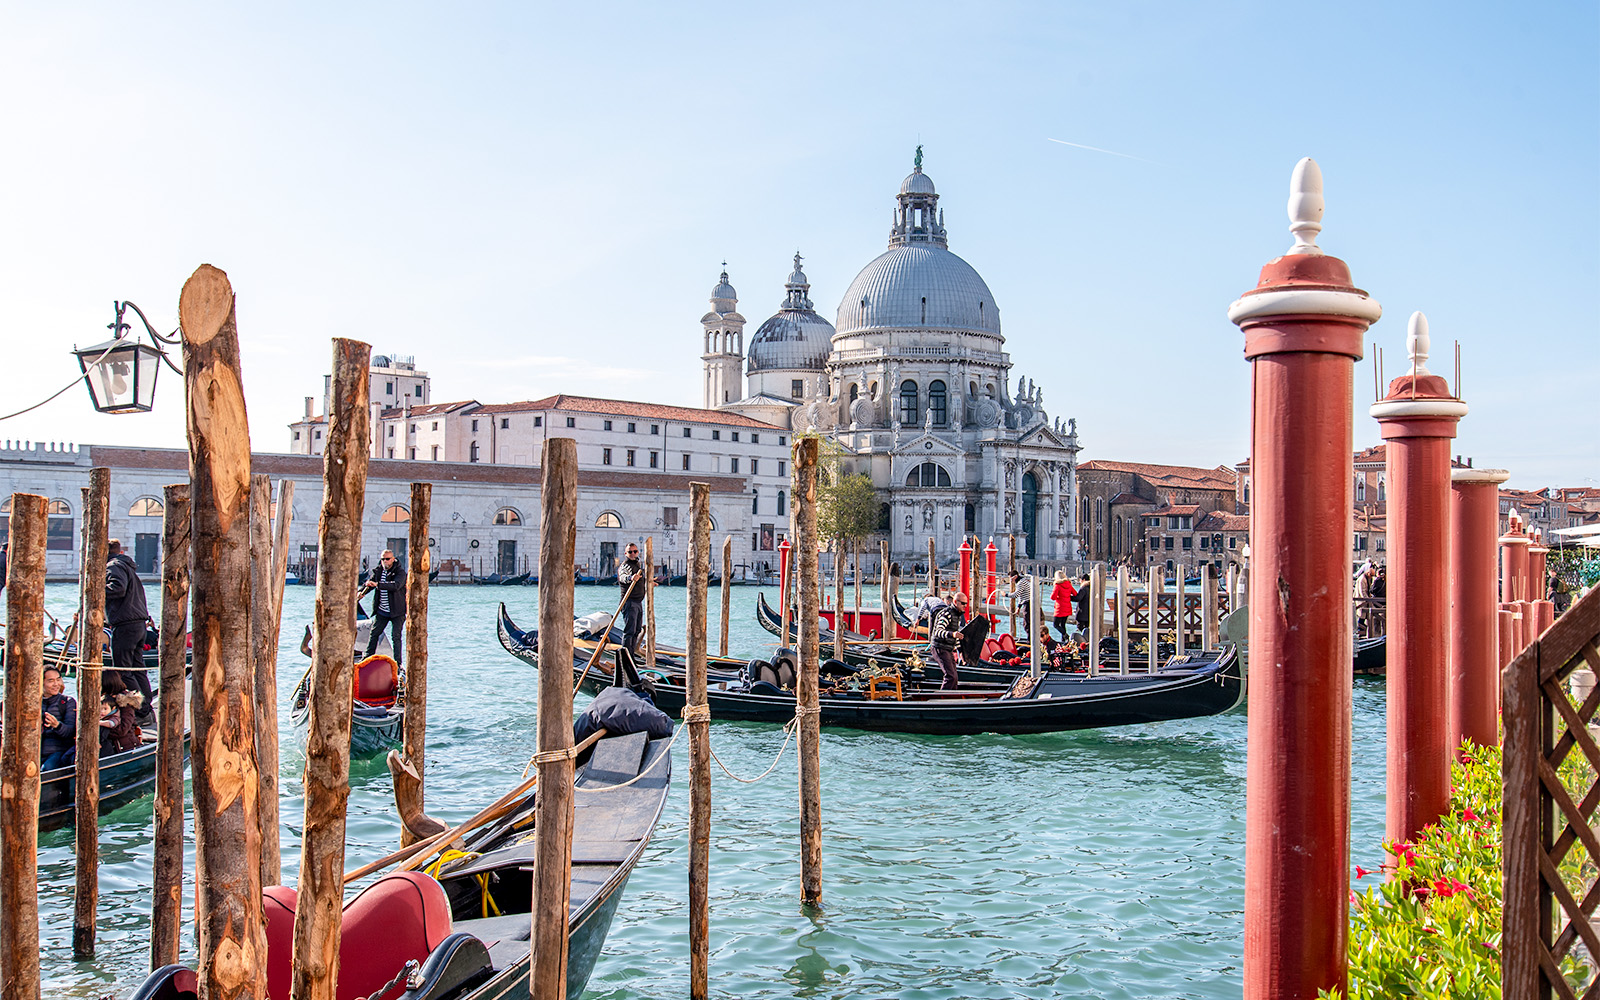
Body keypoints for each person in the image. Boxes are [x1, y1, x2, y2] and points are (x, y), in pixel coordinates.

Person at [105, 538, 154, 719]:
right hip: (138, 624)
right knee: (137, 667)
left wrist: (94, 589)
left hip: (125, 624)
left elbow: (117, 588)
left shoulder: (113, 566)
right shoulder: (125, 565)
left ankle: (141, 709)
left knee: (124, 671)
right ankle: (146, 707)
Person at [360, 549, 407, 663]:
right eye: (382, 559)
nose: (385, 561)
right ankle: (367, 658)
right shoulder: (379, 572)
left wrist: (378, 584)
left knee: (396, 636)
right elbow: (371, 584)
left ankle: (398, 663)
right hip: (382, 611)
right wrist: (361, 592)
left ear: (393, 559)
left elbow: (396, 585)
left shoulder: (400, 573)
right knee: (374, 633)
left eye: (387, 559)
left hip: (397, 611)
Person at [927, 590, 969, 690]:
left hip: (947, 648)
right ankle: (942, 698)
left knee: (955, 676)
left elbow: (957, 636)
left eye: (966, 604)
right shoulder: (946, 614)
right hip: (939, 647)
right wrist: (952, 634)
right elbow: (938, 631)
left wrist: (961, 652)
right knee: (950, 676)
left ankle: (951, 697)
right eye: (963, 603)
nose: (965, 606)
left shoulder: (957, 616)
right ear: (955, 602)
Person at [98, 673, 144, 756]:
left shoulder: (125, 703)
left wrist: (101, 732)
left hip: (122, 747)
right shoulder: (104, 700)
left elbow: (122, 730)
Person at [41, 667, 77, 771]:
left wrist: (57, 725)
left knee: (46, 769)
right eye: (51, 681)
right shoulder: (33, 702)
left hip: (58, 751)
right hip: (34, 750)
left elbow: (71, 731)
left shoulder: (67, 702)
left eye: (58, 679)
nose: (56, 684)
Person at [617, 543, 648, 653]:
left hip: (638, 602)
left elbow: (640, 580)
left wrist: (650, 582)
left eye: (635, 551)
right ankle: (626, 656)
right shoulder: (625, 565)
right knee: (629, 631)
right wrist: (630, 578)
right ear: (626, 553)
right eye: (630, 552)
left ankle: (631, 655)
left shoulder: (637, 565)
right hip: (629, 602)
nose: (633, 553)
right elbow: (622, 577)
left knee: (637, 630)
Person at [1050, 570, 1078, 641]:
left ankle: (1066, 636)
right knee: (1063, 624)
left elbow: (1053, 597)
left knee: (1055, 625)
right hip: (1067, 607)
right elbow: (1075, 593)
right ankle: (1063, 640)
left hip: (1060, 608)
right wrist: (1067, 596)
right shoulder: (1068, 584)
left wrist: (1059, 597)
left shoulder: (1057, 585)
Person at [1006, 572, 1031, 637]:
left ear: (1015, 577)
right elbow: (1022, 596)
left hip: (1028, 604)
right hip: (1027, 603)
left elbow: (1016, 595)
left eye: (1011, 579)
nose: (1011, 581)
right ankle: (1030, 639)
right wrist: (1018, 607)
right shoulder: (1023, 581)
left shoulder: (1020, 583)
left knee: (1027, 624)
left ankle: (1030, 640)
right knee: (1027, 623)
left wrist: (1005, 595)